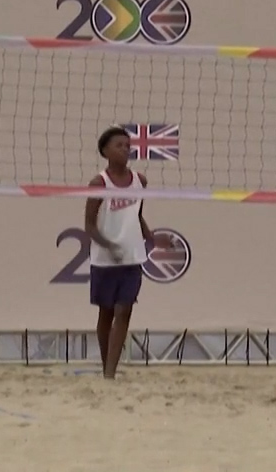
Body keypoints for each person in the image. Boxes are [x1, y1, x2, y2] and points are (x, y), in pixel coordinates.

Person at [84, 126, 172, 380]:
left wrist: (153, 238)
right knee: (106, 313)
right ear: (105, 151)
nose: (125, 149)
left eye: (127, 144)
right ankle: (105, 367)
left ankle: (110, 373)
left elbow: (138, 215)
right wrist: (109, 245)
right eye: (119, 145)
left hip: (132, 256)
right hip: (105, 259)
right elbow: (89, 224)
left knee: (124, 311)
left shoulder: (139, 180)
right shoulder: (99, 183)